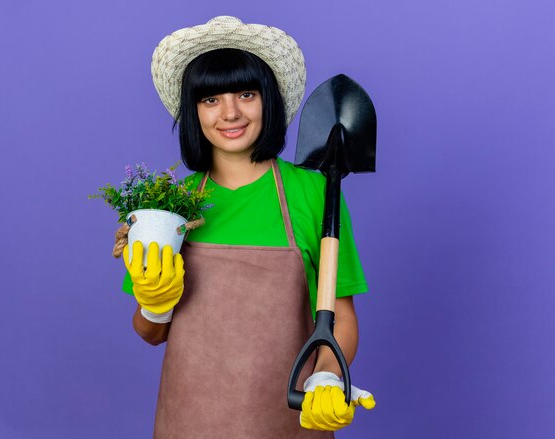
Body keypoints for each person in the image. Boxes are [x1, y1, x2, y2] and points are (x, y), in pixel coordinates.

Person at [121, 16, 375, 438]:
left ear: (268, 100)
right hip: (190, 418)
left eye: (245, 93)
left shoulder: (314, 192)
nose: (231, 113)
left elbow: (341, 318)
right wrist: (154, 304)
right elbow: (151, 334)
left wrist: (327, 377)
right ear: (193, 112)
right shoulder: (168, 207)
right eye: (210, 100)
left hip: (289, 417)